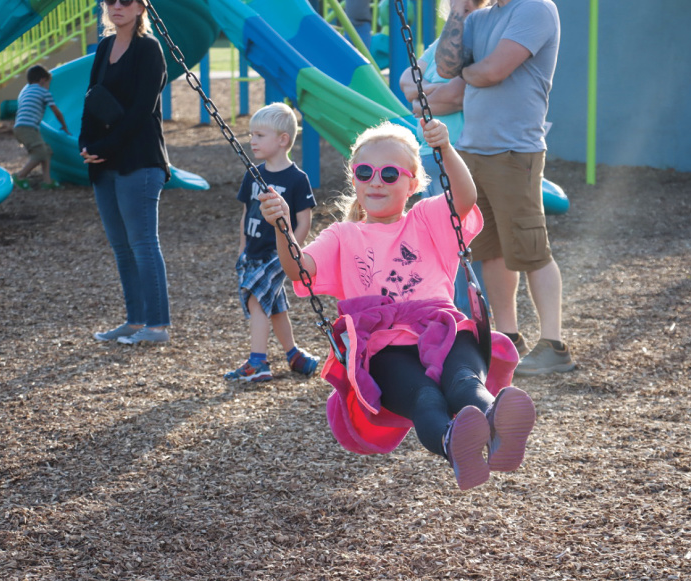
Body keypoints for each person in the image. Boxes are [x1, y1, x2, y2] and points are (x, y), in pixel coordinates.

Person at [258, 120, 536, 491]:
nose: (376, 181)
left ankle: (498, 425)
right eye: (365, 172)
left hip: (444, 329)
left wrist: (446, 150)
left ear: (413, 184)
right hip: (384, 348)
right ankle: (454, 442)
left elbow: (465, 197)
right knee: (424, 398)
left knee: (464, 381)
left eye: (390, 174)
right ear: (354, 180)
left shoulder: (427, 220)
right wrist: (281, 228)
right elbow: (298, 269)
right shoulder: (343, 235)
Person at [435, 0, 575, 375]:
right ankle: (508, 337)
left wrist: (469, 72)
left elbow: (494, 71)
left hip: (515, 151)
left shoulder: (536, 9)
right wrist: (460, 12)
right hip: (472, 150)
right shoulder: (479, 17)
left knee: (531, 249)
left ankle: (554, 345)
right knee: (490, 251)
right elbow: (446, 68)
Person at [80, 0, 172, 345]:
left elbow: (140, 111)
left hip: (140, 160)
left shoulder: (149, 49)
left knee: (144, 244)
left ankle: (157, 325)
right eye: (110, 1)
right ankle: (135, 321)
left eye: (126, 1)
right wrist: (85, 143)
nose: (116, 6)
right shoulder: (104, 46)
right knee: (121, 246)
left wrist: (105, 147)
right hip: (105, 163)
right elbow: (92, 98)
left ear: (141, 7)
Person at [398, 0, 491, 321]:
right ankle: (446, 313)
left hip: (458, 152)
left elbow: (456, 95)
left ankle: (471, 318)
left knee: (463, 237)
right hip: (428, 152)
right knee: (437, 239)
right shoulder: (443, 42)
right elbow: (406, 84)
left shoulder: (479, 38)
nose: (458, 5)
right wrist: (430, 95)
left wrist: (425, 98)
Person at [226, 103, 321, 383]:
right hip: (254, 252)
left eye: (259, 135)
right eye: (251, 135)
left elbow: (304, 220)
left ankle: (258, 362)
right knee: (274, 305)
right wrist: (242, 247)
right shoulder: (254, 175)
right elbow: (246, 213)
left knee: (256, 301)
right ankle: (294, 356)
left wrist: (291, 251)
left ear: (283, 140)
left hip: (277, 254)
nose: (252, 141)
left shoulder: (296, 179)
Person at [11, 65, 69, 190]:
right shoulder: (44, 92)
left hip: (21, 127)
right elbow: (57, 112)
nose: (49, 86)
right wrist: (64, 127)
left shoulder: (26, 91)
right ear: (43, 80)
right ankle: (20, 176)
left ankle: (47, 182)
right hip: (27, 128)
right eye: (48, 83)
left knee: (46, 151)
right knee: (40, 153)